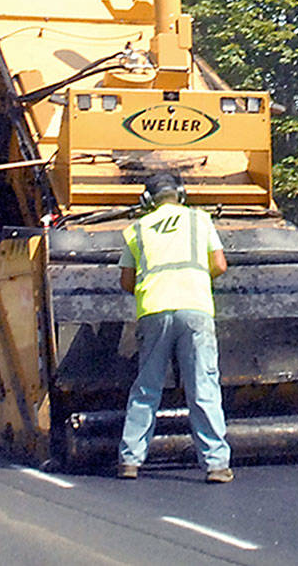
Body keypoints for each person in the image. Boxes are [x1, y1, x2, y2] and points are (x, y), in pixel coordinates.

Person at [116, 172, 233, 483]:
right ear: (180, 194)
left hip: (153, 310)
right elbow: (220, 265)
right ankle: (216, 465)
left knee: (146, 388)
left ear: (146, 200)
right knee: (203, 387)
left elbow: (126, 281)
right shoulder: (200, 220)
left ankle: (130, 460)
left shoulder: (136, 229)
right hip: (195, 309)